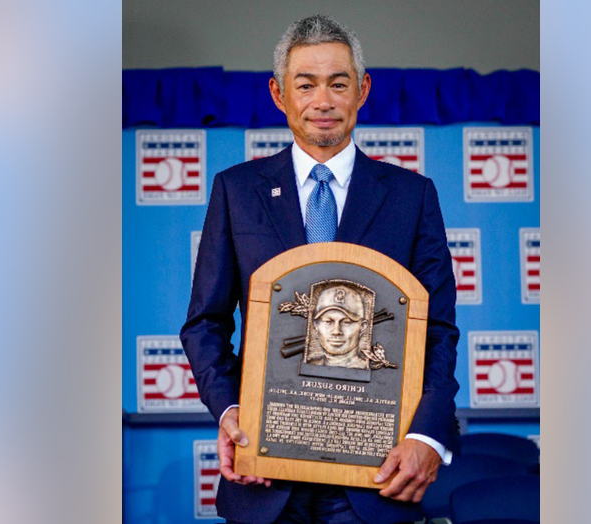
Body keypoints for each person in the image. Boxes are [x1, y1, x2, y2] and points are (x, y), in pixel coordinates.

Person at [181, 14, 459, 524]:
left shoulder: (412, 196)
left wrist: (426, 436)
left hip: (375, 477)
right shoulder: (236, 191)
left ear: (362, 90)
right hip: (265, 474)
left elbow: (438, 329)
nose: (323, 101)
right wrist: (230, 412)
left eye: (338, 83)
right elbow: (205, 323)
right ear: (278, 94)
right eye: (305, 85)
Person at [307, 284, 370, 370]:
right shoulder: (310, 366)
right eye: (328, 322)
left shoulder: (365, 368)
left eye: (346, 322)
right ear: (316, 325)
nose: (336, 331)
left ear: (362, 327)